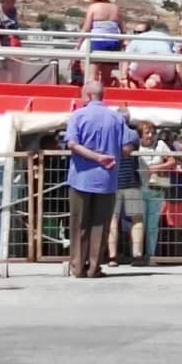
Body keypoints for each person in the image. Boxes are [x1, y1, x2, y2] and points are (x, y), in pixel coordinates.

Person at [62, 82, 125, 278]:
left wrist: (96, 157)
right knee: (100, 225)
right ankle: (94, 267)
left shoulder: (78, 116)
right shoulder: (116, 117)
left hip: (81, 178)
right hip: (107, 179)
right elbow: (128, 145)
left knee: (79, 224)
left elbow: (72, 144)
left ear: (88, 95)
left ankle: (78, 266)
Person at [132, 120, 180, 263]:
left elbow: (172, 161)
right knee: (138, 223)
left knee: (152, 224)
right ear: (140, 135)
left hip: (156, 189)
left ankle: (150, 255)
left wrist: (156, 168)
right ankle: (137, 254)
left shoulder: (160, 145)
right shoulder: (135, 145)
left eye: (152, 132)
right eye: (147, 133)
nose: (150, 135)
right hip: (139, 189)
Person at [108, 111, 145, 266]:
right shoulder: (133, 134)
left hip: (113, 182)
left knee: (112, 219)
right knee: (136, 218)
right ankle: (137, 254)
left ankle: (112, 256)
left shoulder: (109, 133)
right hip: (131, 181)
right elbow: (129, 150)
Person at [79, 0, 123, 87]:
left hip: (97, 42)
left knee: (92, 76)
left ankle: (92, 95)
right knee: (106, 77)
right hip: (113, 43)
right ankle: (106, 94)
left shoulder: (93, 7)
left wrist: (78, 45)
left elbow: (86, 28)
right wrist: (120, 45)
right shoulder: (116, 8)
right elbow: (122, 29)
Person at [126, 21, 179, 89]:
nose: (137, 33)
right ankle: (159, 88)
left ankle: (136, 92)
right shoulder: (169, 37)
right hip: (164, 63)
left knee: (131, 80)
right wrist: (178, 79)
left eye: (139, 32)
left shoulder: (138, 38)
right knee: (171, 81)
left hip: (142, 63)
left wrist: (124, 78)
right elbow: (177, 56)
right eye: (135, 32)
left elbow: (125, 57)